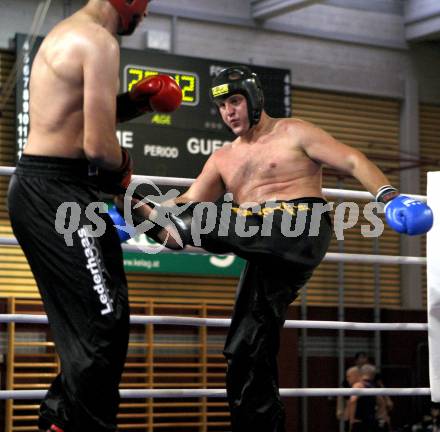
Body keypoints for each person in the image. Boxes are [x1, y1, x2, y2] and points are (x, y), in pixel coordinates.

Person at [115, 65, 433, 432]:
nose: (228, 111)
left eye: (234, 101)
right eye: (221, 106)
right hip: (263, 246)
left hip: (301, 229)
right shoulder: (222, 159)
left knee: (201, 221)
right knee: (244, 348)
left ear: (253, 99)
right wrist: (127, 204)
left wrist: (388, 197)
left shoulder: (293, 132)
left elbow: (351, 159)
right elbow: (183, 207)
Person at [7, 1, 182, 431]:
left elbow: (81, 118)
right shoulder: (99, 41)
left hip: (54, 189)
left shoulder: (69, 32)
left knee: (104, 320)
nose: (144, 17)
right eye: (143, 6)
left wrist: (138, 103)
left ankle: (62, 421)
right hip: (57, 192)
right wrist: (124, 164)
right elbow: (98, 148)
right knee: (101, 323)